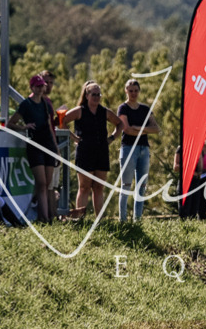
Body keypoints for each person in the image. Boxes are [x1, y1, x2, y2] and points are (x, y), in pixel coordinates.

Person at [63, 80, 122, 219]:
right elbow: (62, 121)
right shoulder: (79, 110)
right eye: (93, 94)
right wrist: (73, 137)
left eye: (98, 94)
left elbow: (120, 124)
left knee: (99, 187)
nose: (96, 97)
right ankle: (79, 219)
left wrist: (112, 138)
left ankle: (99, 220)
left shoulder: (104, 111)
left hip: (101, 152)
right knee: (84, 187)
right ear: (87, 95)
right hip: (85, 152)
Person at [8, 75, 59, 223]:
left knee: (47, 183)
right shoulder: (26, 104)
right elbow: (10, 123)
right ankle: (44, 217)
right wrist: (24, 127)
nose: (40, 89)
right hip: (34, 144)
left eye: (42, 86)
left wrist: (55, 148)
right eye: (37, 86)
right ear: (32, 87)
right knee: (41, 182)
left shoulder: (46, 103)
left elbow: (50, 126)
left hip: (48, 143)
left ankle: (44, 215)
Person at [117, 78, 160, 222]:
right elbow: (127, 129)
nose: (133, 93)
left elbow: (156, 128)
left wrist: (138, 128)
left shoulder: (145, 109)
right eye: (131, 91)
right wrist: (145, 130)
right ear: (126, 91)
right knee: (126, 185)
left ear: (139, 91)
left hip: (144, 149)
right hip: (128, 148)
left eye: (136, 90)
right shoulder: (123, 108)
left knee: (141, 185)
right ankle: (123, 220)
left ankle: (138, 220)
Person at [174, 125, 206, 221]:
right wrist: (192, 172)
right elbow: (176, 167)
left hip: (203, 181)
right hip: (191, 181)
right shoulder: (182, 147)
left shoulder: (201, 149)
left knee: (194, 210)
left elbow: (200, 168)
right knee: (187, 210)